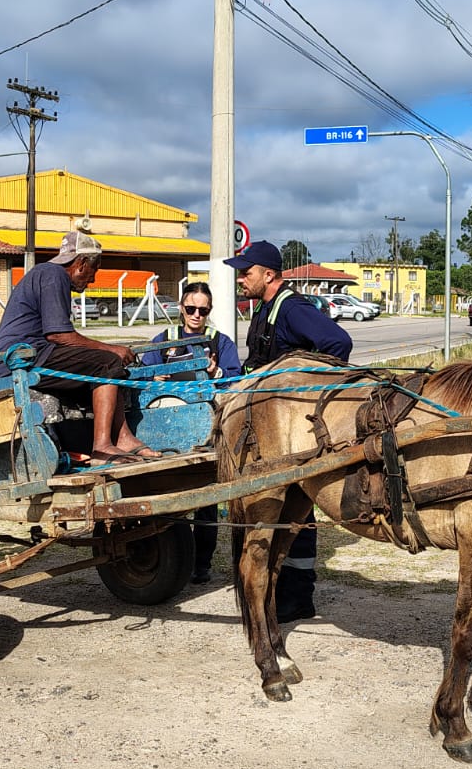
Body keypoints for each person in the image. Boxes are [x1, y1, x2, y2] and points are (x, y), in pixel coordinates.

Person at [225, 239, 353, 622]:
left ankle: (297, 597)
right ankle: (281, 592)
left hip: (292, 425)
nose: (240, 280)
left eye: (245, 273)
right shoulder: (266, 308)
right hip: (268, 424)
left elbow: (338, 343)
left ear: (269, 275)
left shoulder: (293, 308)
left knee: (298, 508)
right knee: (281, 507)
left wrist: (308, 390)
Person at [0, 230, 159, 463]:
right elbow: (59, 335)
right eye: (94, 270)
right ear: (81, 263)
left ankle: (124, 438)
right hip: (22, 359)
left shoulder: (47, 274)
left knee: (107, 366)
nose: (93, 279)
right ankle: (102, 446)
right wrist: (112, 349)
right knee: (107, 361)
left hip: (34, 355)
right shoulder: (53, 275)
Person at [140, 281, 242, 583]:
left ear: (209, 311)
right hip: (163, 430)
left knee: (207, 502)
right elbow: (142, 378)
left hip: (206, 432)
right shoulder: (163, 341)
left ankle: (202, 564)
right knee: (164, 494)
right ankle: (166, 557)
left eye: (203, 310)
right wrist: (154, 376)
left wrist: (216, 373)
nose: (196, 315)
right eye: (191, 308)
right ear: (181, 308)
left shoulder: (220, 342)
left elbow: (236, 381)